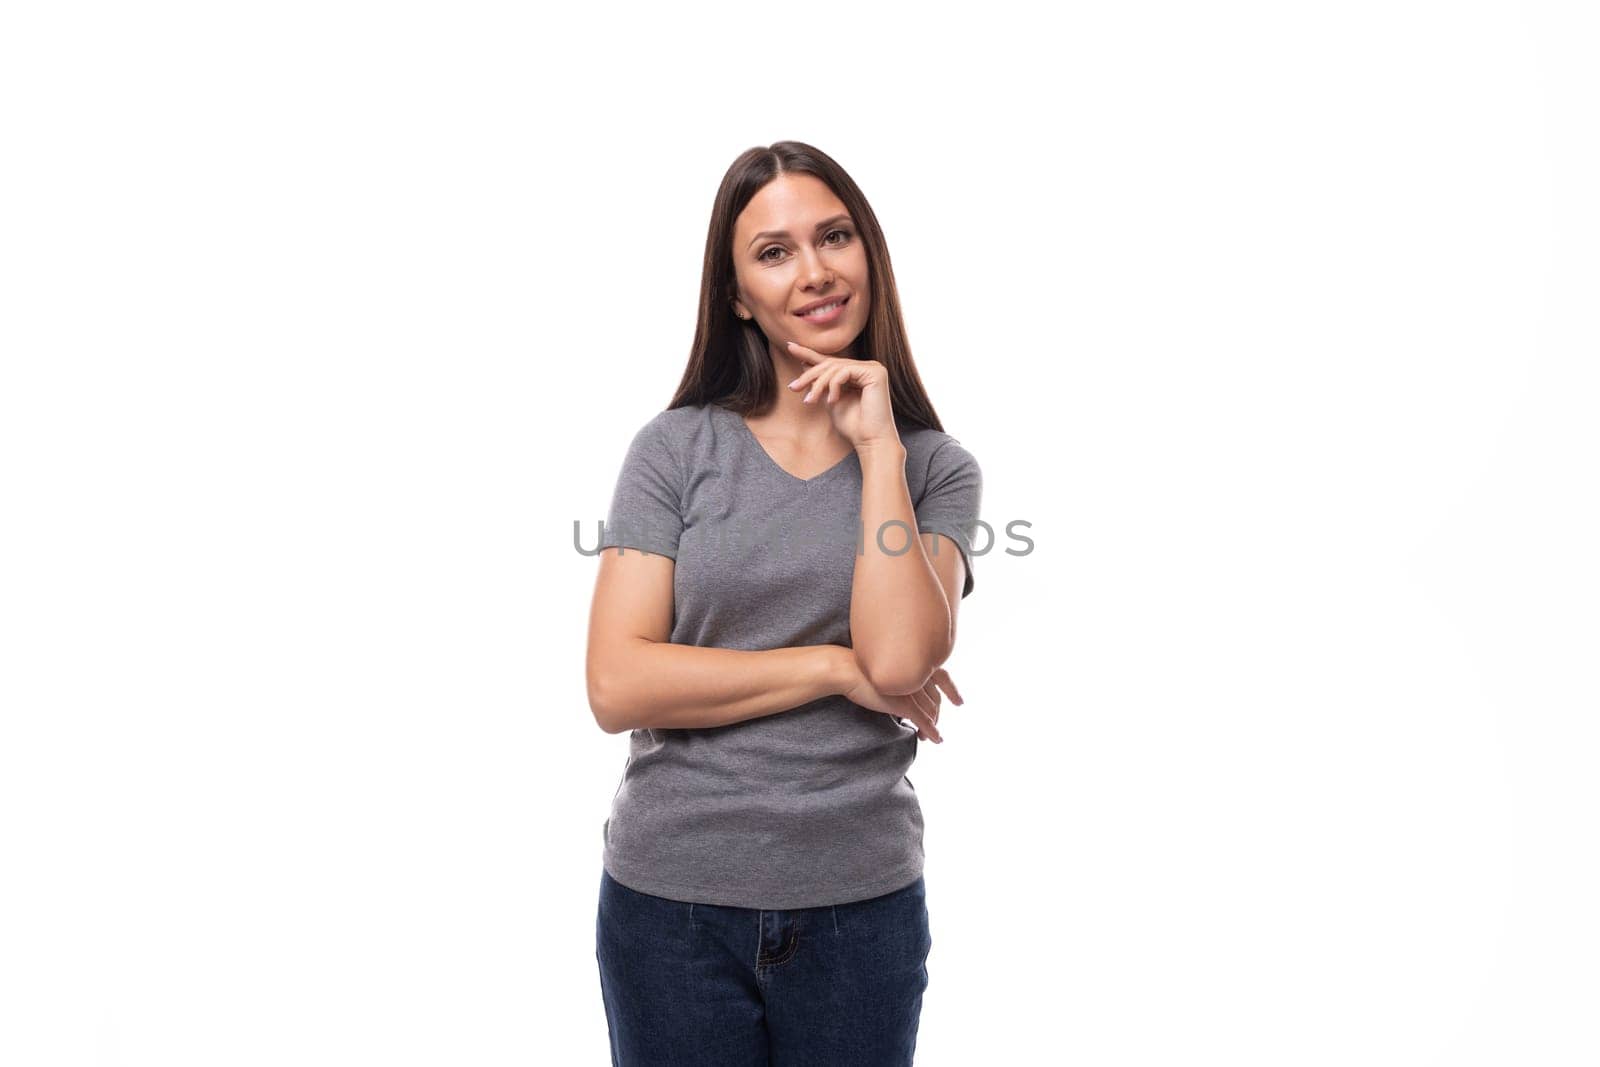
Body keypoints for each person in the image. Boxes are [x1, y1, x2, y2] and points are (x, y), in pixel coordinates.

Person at [586, 140, 983, 1066]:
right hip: (671, 911)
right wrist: (829, 667)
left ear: (868, 255)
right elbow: (616, 682)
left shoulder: (934, 468)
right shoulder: (675, 451)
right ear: (735, 295)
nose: (815, 271)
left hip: (862, 908)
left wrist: (879, 449)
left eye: (834, 236)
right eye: (773, 251)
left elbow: (899, 662)